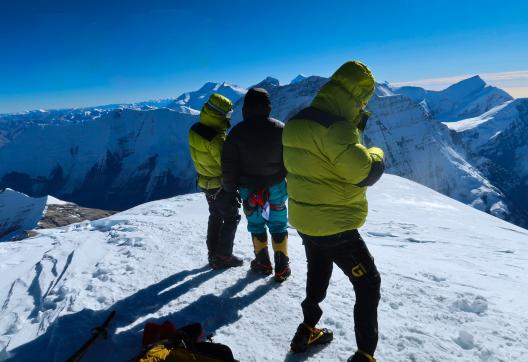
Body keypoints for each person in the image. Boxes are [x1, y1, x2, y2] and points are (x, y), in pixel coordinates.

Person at [283, 61, 384, 362]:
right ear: (357, 96)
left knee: (319, 271)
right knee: (368, 285)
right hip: (336, 226)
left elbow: (315, 164)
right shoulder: (337, 129)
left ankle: (307, 328)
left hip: (305, 220)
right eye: (364, 99)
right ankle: (365, 355)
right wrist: (376, 153)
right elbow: (363, 171)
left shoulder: (297, 121)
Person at [221, 88, 291, 282]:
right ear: (268, 106)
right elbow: (290, 160)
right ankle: (282, 267)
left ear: (246, 108)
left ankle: (263, 263)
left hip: (248, 189)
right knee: (278, 223)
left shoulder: (236, 133)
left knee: (256, 224)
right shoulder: (281, 129)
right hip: (276, 186)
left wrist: (229, 189)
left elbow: (228, 166)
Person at [188, 93, 243, 269]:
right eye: (227, 114)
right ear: (219, 114)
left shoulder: (195, 129)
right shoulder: (217, 138)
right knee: (231, 218)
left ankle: (213, 253)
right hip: (221, 185)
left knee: (215, 216)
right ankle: (223, 256)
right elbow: (227, 164)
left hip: (205, 183)